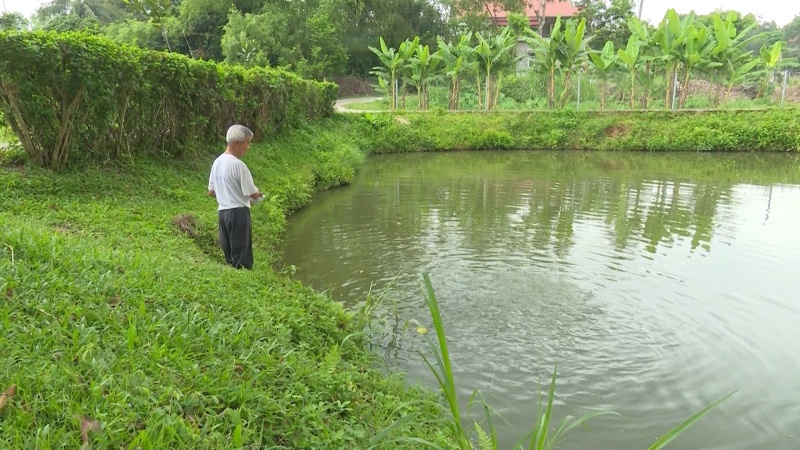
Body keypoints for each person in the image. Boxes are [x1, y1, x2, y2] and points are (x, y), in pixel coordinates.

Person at [208, 125, 264, 269]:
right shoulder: (239, 166)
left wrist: (227, 193)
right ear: (237, 143)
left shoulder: (217, 163)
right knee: (242, 257)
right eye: (248, 142)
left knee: (230, 254)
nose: (248, 147)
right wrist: (259, 194)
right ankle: (244, 283)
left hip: (223, 213)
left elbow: (211, 191)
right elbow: (253, 194)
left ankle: (234, 279)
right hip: (238, 214)